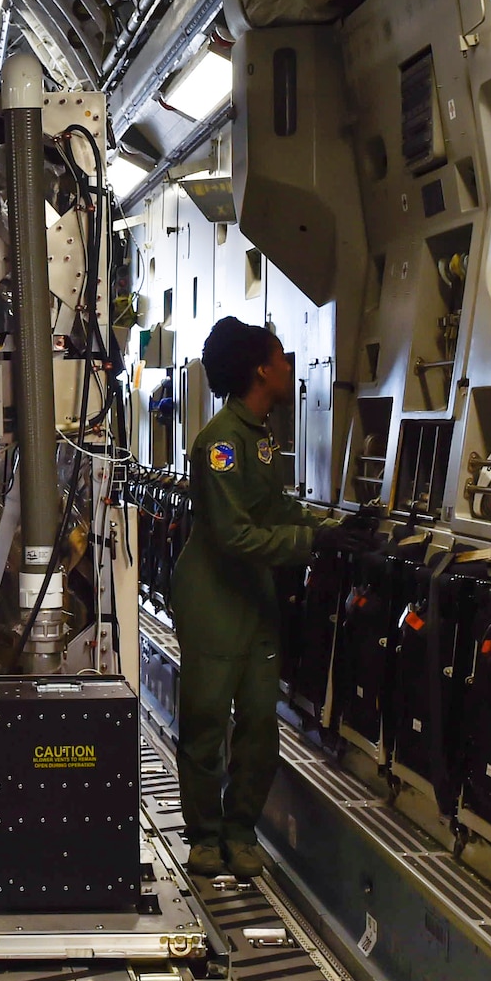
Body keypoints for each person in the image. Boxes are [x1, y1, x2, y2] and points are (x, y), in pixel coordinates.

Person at [171, 318, 379, 879]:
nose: (291, 365)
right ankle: (205, 836)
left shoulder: (260, 436)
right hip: (215, 602)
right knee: (207, 723)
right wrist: (312, 541)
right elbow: (235, 535)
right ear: (262, 369)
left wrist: (333, 526)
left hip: (254, 604)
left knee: (260, 726)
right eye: (282, 358)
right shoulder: (219, 444)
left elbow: (277, 508)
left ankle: (241, 832)